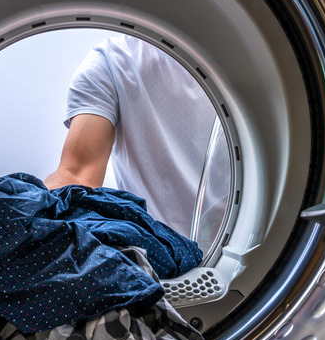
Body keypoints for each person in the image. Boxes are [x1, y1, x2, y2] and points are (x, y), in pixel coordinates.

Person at [44, 34, 229, 246]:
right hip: (160, 254)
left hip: (243, 241)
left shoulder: (242, 57)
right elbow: (79, 173)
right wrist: (28, 206)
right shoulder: (112, 62)